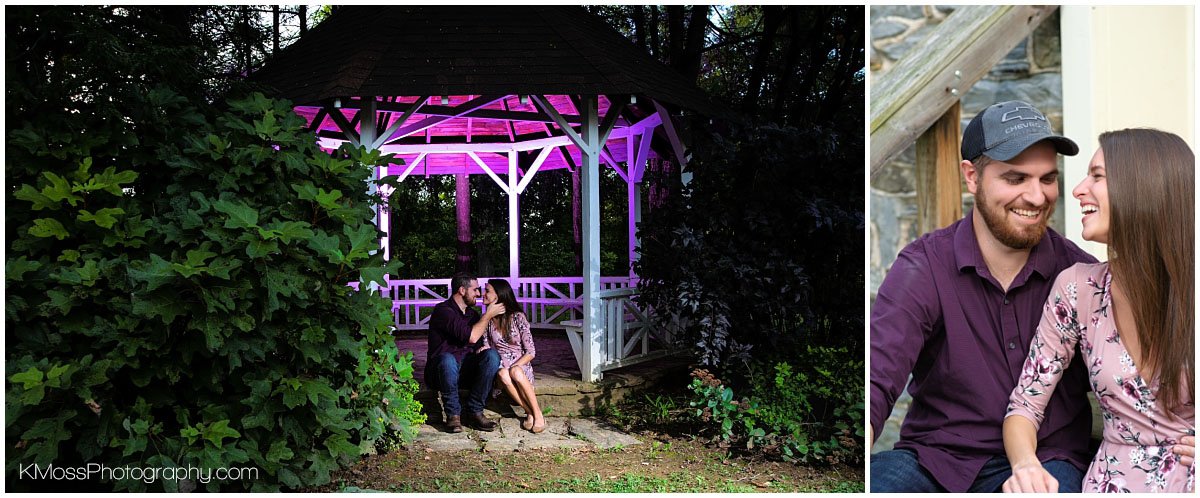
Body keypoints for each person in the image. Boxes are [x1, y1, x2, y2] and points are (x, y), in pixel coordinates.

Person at [870, 101, 1097, 492]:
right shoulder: (924, 267)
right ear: (971, 176)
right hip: (936, 460)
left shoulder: (1079, 274)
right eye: (1015, 179)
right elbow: (875, 379)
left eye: (1046, 178)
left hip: (1049, 460)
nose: (1037, 197)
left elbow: (1140, 375)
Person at [1002, 128, 1196, 493]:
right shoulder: (1078, 289)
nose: (1077, 190)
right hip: (1110, 484)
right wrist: (1026, 465)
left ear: (1143, 188)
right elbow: (1024, 406)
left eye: (1097, 176)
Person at [427, 272, 505, 433]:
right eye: (475, 289)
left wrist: (482, 349)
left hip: (463, 370)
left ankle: (475, 411)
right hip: (441, 372)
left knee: (491, 356)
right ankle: (453, 415)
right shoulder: (444, 311)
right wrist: (488, 315)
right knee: (448, 360)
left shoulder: (472, 315)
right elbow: (471, 337)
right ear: (462, 290)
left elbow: (476, 343)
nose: (478, 293)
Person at [480, 279, 546, 433]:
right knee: (503, 373)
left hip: (520, 365)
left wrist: (516, 365)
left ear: (499, 295)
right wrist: (482, 349)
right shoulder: (488, 320)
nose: (483, 294)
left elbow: (531, 351)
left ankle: (537, 414)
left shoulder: (518, 317)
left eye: (487, 290)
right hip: (502, 367)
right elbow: (488, 345)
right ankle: (529, 412)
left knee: (514, 371)